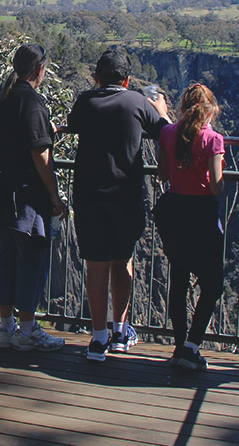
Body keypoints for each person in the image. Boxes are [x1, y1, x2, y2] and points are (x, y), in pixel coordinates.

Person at [67, 49, 170, 361]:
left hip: (88, 197)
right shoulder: (137, 101)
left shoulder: (85, 101)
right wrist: (160, 110)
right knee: (123, 262)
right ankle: (120, 332)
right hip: (125, 197)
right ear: (127, 80)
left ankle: (98, 339)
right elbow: (165, 132)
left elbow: (73, 124)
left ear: (96, 78)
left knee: (95, 266)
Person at [0, 42, 69, 352]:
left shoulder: (2, 96)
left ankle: (6, 329)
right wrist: (54, 195)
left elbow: (16, 135)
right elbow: (38, 152)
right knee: (32, 261)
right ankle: (28, 330)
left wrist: (47, 128)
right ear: (39, 70)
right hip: (24, 197)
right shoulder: (31, 100)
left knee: (5, 260)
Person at [153, 83, 226, 371]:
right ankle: (193, 346)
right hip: (202, 214)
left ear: (183, 109)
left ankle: (179, 345)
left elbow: (161, 174)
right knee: (212, 283)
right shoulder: (213, 140)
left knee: (179, 280)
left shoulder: (167, 133)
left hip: (174, 212)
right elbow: (217, 187)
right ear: (210, 111)